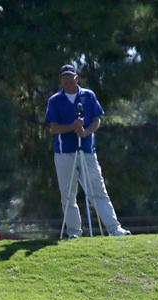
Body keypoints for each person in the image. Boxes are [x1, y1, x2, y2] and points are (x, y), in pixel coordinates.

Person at [45, 64, 130, 238]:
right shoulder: (55, 100)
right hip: (64, 153)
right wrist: (72, 127)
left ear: (77, 78)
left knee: (98, 191)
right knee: (68, 195)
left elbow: (96, 119)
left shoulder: (88, 96)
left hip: (87, 151)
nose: (68, 81)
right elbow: (53, 127)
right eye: (64, 78)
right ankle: (74, 232)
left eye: (71, 77)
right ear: (61, 80)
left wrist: (85, 131)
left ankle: (114, 229)